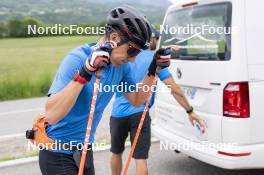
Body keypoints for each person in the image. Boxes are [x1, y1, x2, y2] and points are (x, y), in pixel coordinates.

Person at [38, 6, 173, 175]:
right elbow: (52, 115)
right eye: (132, 50)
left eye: (138, 53)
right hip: (57, 153)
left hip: (84, 150)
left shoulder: (121, 67)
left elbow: (137, 100)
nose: (132, 59)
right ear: (114, 38)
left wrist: (154, 69)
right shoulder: (77, 59)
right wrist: (85, 73)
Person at [110, 28, 206, 175]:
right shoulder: (155, 59)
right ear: (151, 40)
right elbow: (174, 89)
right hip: (139, 114)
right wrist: (190, 111)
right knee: (140, 159)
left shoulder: (126, 55)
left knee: (116, 152)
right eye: (156, 39)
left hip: (117, 114)